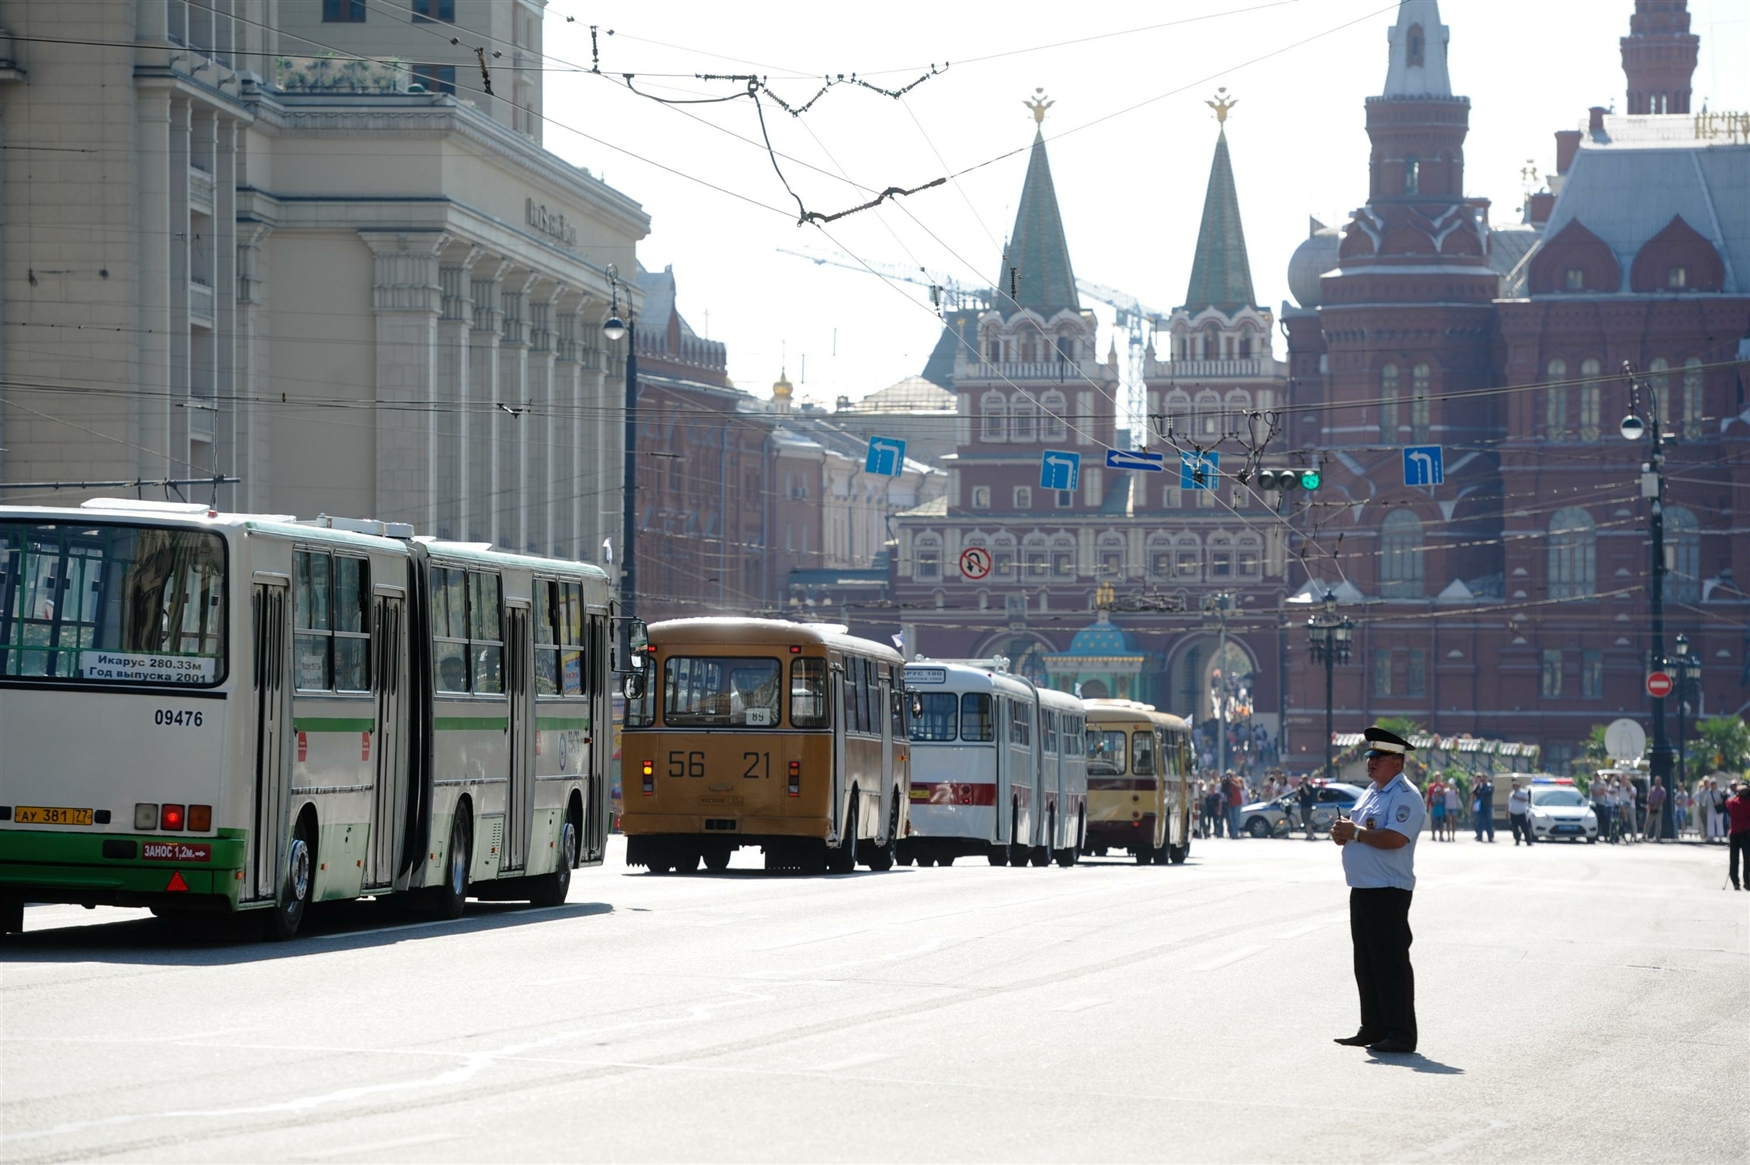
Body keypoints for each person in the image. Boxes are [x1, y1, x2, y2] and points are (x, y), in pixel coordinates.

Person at [1330, 724, 1425, 1055]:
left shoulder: (1405, 797)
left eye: (1379, 757)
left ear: (1397, 762)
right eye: (1370, 756)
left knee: (1390, 963)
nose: (1371, 762)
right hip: (1364, 888)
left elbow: (1396, 838)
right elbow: (1359, 832)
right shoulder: (1372, 792)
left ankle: (1401, 1033)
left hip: (1388, 890)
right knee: (1366, 963)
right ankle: (1373, 1026)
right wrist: (1343, 833)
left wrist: (1354, 834)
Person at [1727, 780, 1750, 891]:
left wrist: (1736, 795)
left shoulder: (1733, 803)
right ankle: (1747, 880)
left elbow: (1727, 802)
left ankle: (1735, 882)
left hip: (1734, 833)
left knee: (1734, 858)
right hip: (1746, 833)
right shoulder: (1748, 804)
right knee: (1747, 858)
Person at [1507, 780, 1532, 845]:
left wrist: (1517, 798)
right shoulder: (1511, 793)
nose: (1514, 787)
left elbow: (1525, 800)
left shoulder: (1523, 793)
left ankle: (1528, 841)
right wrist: (1507, 811)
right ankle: (1517, 840)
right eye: (1513, 785)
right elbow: (1509, 803)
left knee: (1524, 827)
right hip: (1513, 813)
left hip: (1521, 812)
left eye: (1515, 785)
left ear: (1518, 786)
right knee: (1515, 828)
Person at [1473, 775, 1495, 842]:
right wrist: (1478, 785)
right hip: (1481, 806)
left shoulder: (1490, 786)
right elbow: (1475, 792)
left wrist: (1481, 792)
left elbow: (1489, 792)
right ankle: (1480, 836)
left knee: (1489, 822)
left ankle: (1490, 837)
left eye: (1485, 778)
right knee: (1480, 822)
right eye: (1483, 778)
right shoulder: (1479, 786)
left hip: (1487, 805)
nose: (1484, 780)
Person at [1646, 778, 1667, 842]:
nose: (1657, 782)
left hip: (1658, 808)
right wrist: (1649, 804)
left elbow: (1662, 799)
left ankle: (1657, 836)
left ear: (1660, 782)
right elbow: (1649, 796)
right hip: (1651, 807)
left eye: (1658, 781)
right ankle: (1645, 835)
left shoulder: (1662, 790)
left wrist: (1656, 806)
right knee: (1648, 822)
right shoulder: (1652, 788)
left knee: (1658, 823)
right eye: (1656, 781)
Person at [1297, 776, 1317, 841]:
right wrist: (1298, 787)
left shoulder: (1309, 787)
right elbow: (1297, 795)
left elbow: (1307, 793)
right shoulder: (1301, 788)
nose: (1304, 781)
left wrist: (1304, 786)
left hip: (1307, 806)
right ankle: (1311, 833)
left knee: (1307, 821)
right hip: (1302, 806)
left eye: (1305, 780)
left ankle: (1309, 834)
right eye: (1303, 780)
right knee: (1305, 821)